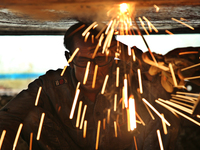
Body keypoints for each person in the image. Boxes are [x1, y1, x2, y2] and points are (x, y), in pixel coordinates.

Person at [0, 21, 190, 150]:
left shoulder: (127, 77)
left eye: (100, 59)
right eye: (82, 61)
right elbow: (8, 118)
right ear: (69, 59)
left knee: (165, 117)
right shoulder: (51, 85)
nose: (93, 69)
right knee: (31, 118)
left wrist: (151, 68)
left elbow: (162, 98)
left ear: (111, 56)